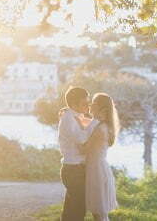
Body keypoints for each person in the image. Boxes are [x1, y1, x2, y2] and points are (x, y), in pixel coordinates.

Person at [58, 86, 97, 221]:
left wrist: (95, 119)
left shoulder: (75, 115)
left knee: (72, 209)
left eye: (88, 102)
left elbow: (90, 126)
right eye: (84, 103)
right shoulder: (69, 118)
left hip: (76, 169)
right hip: (73, 170)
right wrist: (97, 120)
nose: (88, 106)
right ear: (74, 105)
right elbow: (82, 139)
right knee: (77, 209)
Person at [81, 92, 119, 221]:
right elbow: (90, 123)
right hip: (99, 168)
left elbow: (84, 148)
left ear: (100, 107)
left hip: (96, 172)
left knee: (98, 213)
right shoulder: (104, 125)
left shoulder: (100, 128)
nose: (90, 105)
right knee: (100, 213)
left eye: (93, 103)